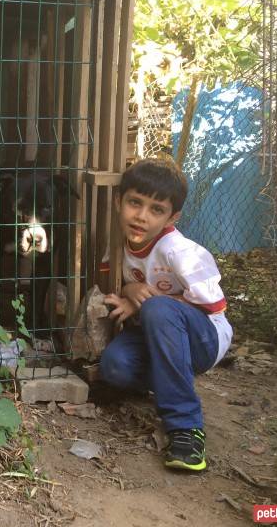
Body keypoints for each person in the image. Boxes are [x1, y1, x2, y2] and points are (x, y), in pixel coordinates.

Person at [100, 157, 232, 472]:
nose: (141, 217)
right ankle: (168, 379)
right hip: (156, 334)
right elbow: (110, 282)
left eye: (156, 210)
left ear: (172, 217)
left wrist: (144, 301)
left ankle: (186, 427)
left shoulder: (180, 252)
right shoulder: (118, 246)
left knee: (158, 308)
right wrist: (130, 291)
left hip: (206, 339)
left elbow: (214, 306)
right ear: (119, 201)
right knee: (114, 366)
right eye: (135, 203)